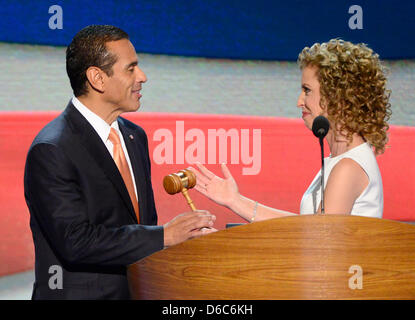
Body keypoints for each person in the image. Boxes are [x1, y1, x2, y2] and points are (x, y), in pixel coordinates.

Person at [24, 25, 215, 300]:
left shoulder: (134, 136)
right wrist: (164, 236)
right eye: (131, 68)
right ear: (97, 78)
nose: (143, 77)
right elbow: (75, 242)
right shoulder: (52, 149)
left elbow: (140, 225)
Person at [190, 39, 391, 222]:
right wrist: (235, 200)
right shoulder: (341, 159)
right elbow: (307, 228)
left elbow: (316, 240)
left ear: (336, 96)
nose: (299, 102)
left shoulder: (348, 168)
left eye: (307, 90)